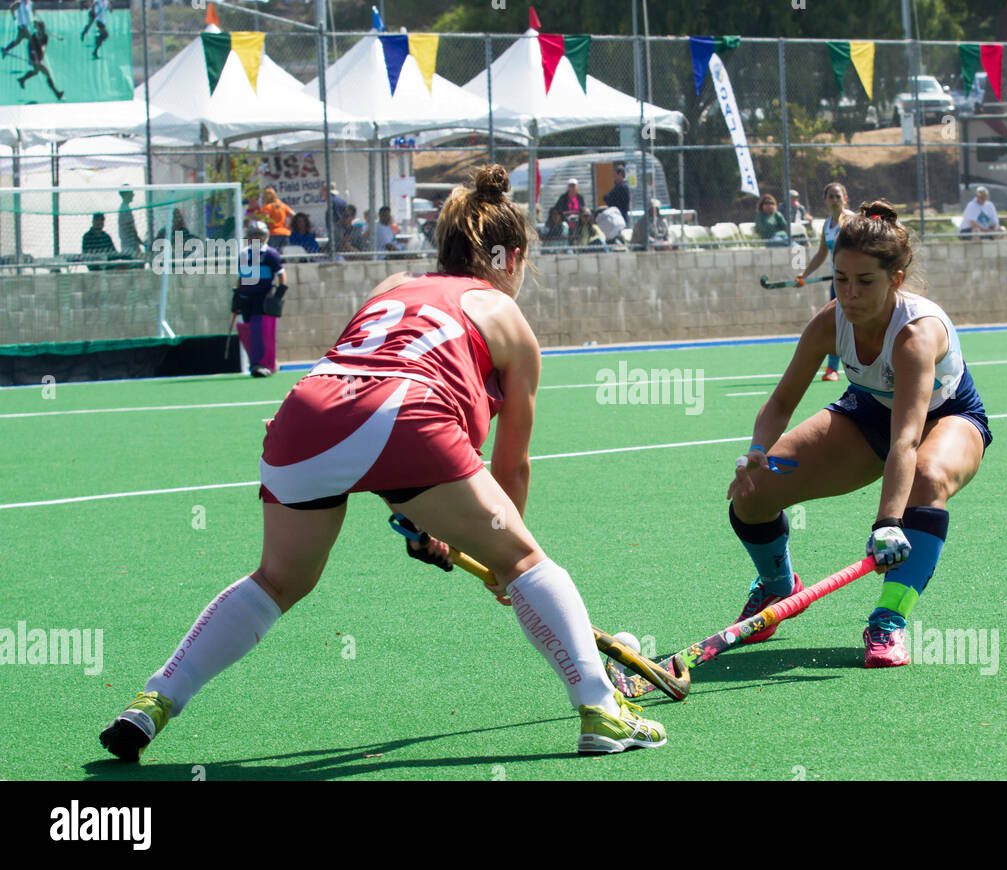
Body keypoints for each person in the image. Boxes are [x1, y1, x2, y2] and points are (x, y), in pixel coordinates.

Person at [98, 165, 667, 761]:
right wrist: (501, 562)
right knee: (526, 559)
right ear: (514, 256)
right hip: (404, 418)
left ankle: (154, 700)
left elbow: (363, 414)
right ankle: (601, 710)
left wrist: (430, 523)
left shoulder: (391, 283)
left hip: (307, 414)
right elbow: (509, 464)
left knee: (278, 580)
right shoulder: (509, 320)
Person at [727, 200, 991, 668]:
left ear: (895, 279)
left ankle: (888, 621)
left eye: (864, 281)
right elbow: (782, 401)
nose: (849, 293)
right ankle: (779, 587)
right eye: (841, 279)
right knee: (753, 494)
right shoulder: (831, 320)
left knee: (927, 478)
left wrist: (887, 522)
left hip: (945, 417)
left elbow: (906, 441)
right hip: (867, 412)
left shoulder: (915, 336)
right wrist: (755, 452)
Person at [797, 182, 851, 381]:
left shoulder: (851, 220)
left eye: (838, 196)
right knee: (836, 323)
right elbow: (821, 253)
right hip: (837, 282)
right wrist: (804, 274)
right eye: (831, 196)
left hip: (854, 281)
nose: (835, 200)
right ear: (825, 200)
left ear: (845, 198)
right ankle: (832, 369)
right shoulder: (827, 225)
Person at [231, 221, 286, 378]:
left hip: (263, 298)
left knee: (259, 331)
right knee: (249, 331)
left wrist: (279, 294)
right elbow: (241, 277)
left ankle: (260, 364)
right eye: (254, 236)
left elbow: (281, 274)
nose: (257, 239)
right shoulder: (243, 254)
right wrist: (237, 295)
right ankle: (261, 362)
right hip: (246, 298)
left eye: (260, 236)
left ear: (266, 237)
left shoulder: (270, 254)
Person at [15, 19, 62, 100]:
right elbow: (32, 50)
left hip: (39, 55)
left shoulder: (45, 36)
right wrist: (35, 60)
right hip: (33, 54)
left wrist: (41, 59)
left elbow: (43, 48)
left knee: (36, 72)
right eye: (41, 28)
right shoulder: (33, 37)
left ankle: (22, 79)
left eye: (44, 28)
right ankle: (57, 93)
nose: (43, 29)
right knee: (46, 73)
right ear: (38, 28)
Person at [117, 187, 143, 260]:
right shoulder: (124, 208)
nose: (133, 195)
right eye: (131, 192)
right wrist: (139, 241)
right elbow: (130, 228)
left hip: (130, 245)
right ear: (126, 194)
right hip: (129, 247)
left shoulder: (125, 207)